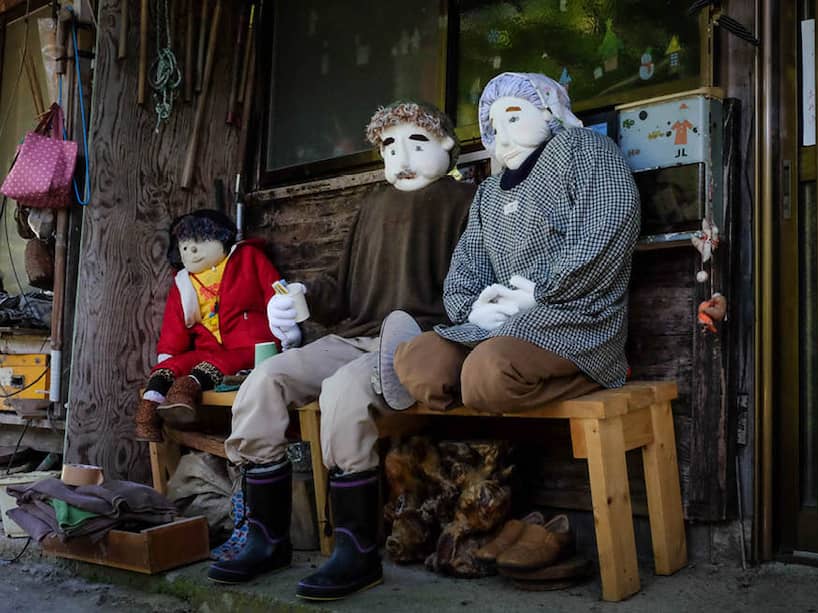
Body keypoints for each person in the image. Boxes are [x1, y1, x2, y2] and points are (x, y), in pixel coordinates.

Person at [207, 102, 475, 601]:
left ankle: (355, 548)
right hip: (357, 335)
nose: (403, 156)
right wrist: (303, 297)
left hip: (420, 342)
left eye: (418, 141)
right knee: (264, 381)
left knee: (344, 393)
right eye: (390, 146)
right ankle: (267, 537)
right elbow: (341, 288)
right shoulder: (373, 206)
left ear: (446, 146)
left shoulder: (467, 201)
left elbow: (477, 281)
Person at [388, 72, 640, 415]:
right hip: (499, 323)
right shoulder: (490, 192)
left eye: (514, 117)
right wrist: (474, 308)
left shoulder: (583, 149)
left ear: (548, 112)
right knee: (419, 363)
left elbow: (607, 224)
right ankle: (479, 382)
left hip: (575, 315)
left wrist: (540, 294)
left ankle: (597, 372)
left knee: (487, 375)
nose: (502, 135)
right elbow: (467, 263)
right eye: (494, 123)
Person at [134, 209, 280, 442]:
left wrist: (285, 324)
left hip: (252, 345)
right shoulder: (183, 283)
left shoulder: (247, 258)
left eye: (200, 241)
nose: (191, 251)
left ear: (222, 238)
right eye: (184, 246)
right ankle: (148, 413)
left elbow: (276, 292)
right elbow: (175, 328)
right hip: (209, 348)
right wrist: (168, 357)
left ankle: (184, 392)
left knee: (215, 363)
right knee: (173, 364)